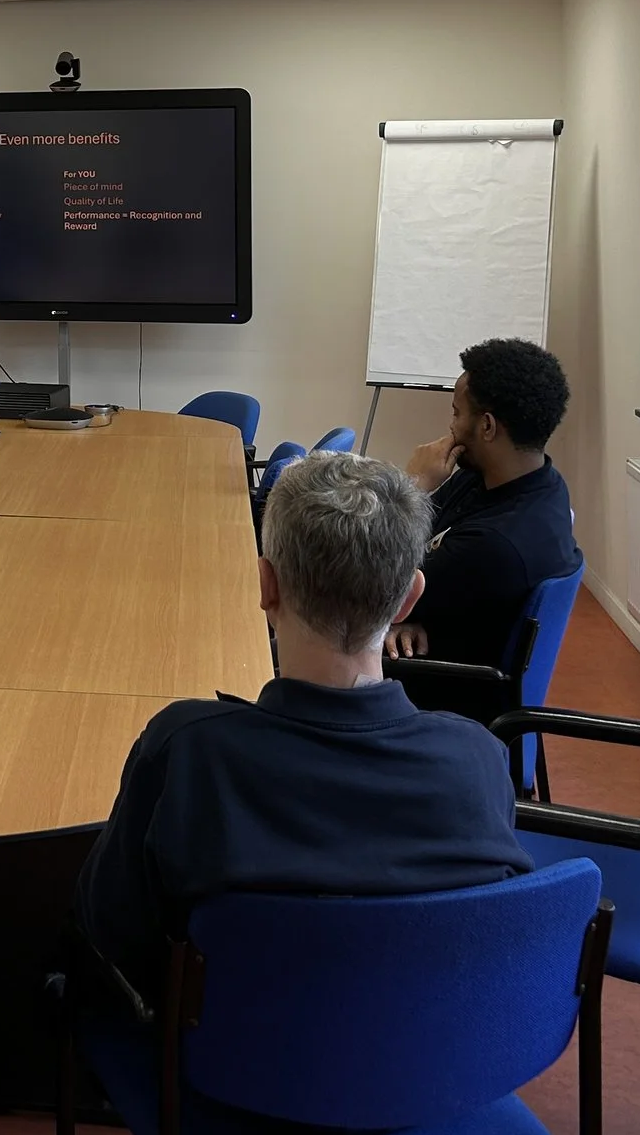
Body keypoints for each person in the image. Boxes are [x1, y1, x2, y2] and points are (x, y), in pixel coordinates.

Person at [76, 452, 528, 994]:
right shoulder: (477, 760)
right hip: (425, 1068)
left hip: (218, 1067)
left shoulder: (187, 753)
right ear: (409, 597)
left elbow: (108, 930)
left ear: (267, 586)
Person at [389, 337, 582, 670]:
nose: (451, 425)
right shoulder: (516, 481)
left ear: (487, 426)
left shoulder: (497, 543)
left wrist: (412, 486)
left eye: (456, 412)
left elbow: (369, 592)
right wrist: (415, 615)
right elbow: (419, 546)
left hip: (443, 686)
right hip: (437, 644)